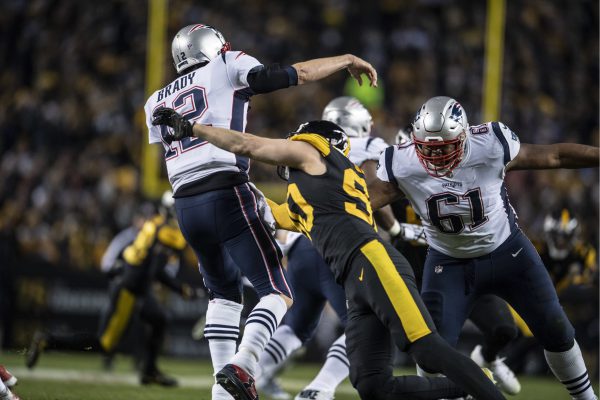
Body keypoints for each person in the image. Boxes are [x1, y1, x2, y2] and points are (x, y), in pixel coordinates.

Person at [151, 108, 506, 400]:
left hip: (371, 261)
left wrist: (194, 129)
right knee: (373, 385)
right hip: (355, 278)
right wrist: (217, 185)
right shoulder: (316, 190)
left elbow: (247, 144)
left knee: (425, 348)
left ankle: (484, 388)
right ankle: (475, 383)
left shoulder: (313, 151)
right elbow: (273, 214)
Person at [143, 23, 377, 400]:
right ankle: (245, 363)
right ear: (214, 46)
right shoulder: (226, 63)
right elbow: (294, 74)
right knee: (277, 292)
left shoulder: (155, 99)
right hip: (225, 189)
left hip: (185, 203)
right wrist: (345, 59)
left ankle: (222, 395)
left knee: (223, 296)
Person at [369, 96, 599, 400]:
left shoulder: (490, 145)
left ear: (463, 137)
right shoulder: (402, 162)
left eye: (445, 148)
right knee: (429, 352)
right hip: (449, 264)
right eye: (428, 149)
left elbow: (554, 156)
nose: (436, 157)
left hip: (509, 254)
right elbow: (362, 201)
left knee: (557, 330)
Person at [257, 96, 395, 400]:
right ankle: (319, 389)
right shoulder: (371, 146)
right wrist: (396, 229)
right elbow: (376, 191)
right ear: (360, 124)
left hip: (300, 246)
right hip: (336, 244)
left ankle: (250, 373)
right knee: (364, 324)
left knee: (298, 326)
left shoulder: (307, 146)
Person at [393, 125, 522, 395]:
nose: (428, 162)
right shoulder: (393, 185)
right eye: (421, 154)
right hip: (422, 276)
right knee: (433, 344)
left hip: (463, 267)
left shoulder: (456, 178)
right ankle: (439, 389)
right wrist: (397, 229)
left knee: (504, 329)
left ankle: (487, 358)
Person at [26, 192, 201, 387]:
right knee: (105, 344)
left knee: (160, 319)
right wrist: (182, 290)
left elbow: (143, 262)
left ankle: (149, 371)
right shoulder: (167, 233)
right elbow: (156, 271)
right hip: (130, 288)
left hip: (137, 284)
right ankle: (48, 341)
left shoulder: (154, 223)